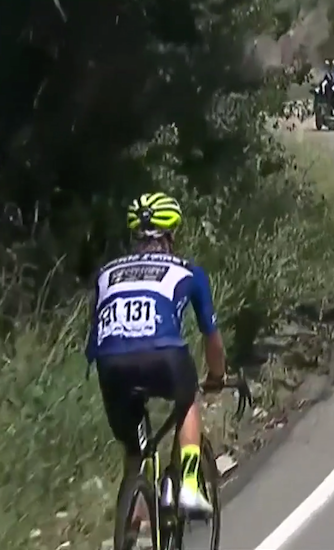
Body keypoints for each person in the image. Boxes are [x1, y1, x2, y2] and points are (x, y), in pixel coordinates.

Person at [86, 192, 227, 517]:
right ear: (171, 234)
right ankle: (189, 486)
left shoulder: (105, 273)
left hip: (111, 364)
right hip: (163, 356)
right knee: (187, 400)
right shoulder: (188, 271)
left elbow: (96, 329)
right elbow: (212, 339)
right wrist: (217, 375)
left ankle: (133, 524)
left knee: (135, 452)